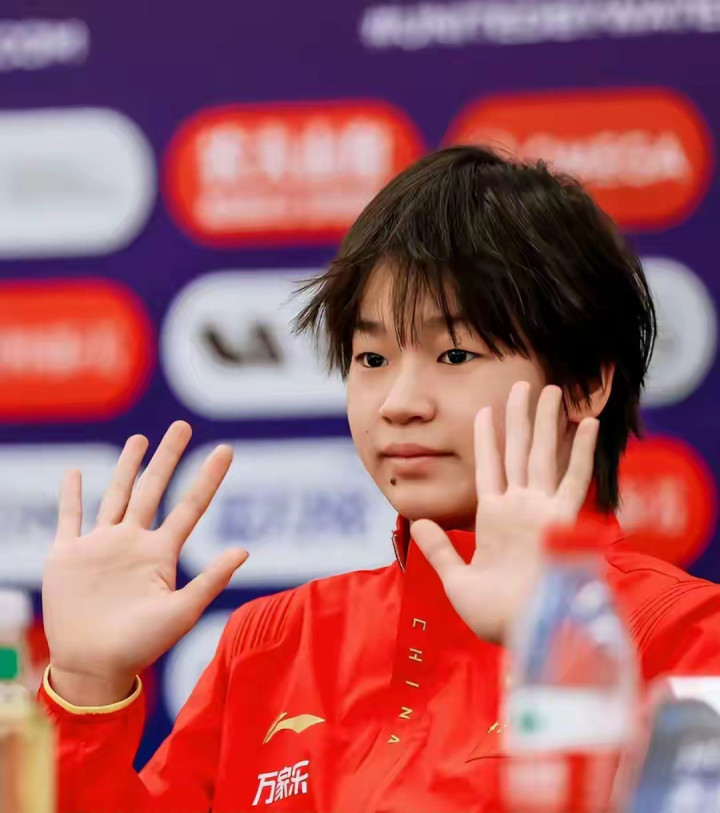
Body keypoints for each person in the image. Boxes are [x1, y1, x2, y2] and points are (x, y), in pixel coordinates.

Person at [40, 146, 720, 813]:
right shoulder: (272, 643)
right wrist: (85, 690)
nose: (399, 402)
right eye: (371, 357)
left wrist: (550, 652)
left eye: (455, 353)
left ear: (584, 384)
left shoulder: (691, 636)